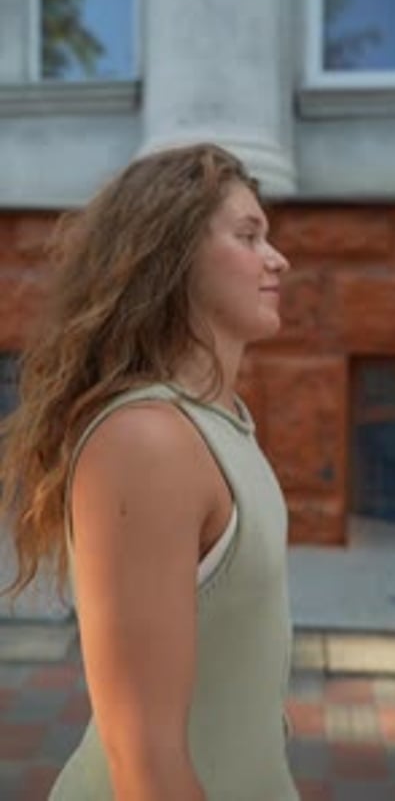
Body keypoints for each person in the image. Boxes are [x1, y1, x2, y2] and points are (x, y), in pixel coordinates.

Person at [0, 143, 299, 801]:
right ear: (172, 255)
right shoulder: (145, 441)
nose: (277, 258)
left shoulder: (222, 424)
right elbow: (145, 760)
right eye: (248, 236)